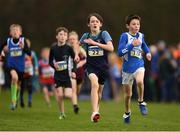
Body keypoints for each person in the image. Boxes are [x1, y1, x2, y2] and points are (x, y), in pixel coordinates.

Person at [80, 13, 114, 122]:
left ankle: (96, 109)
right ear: (88, 24)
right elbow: (78, 47)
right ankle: (94, 112)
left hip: (103, 68)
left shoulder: (104, 34)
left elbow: (111, 48)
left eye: (97, 21)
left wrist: (94, 43)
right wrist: (78, 53)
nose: (94, 23)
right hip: (90, 66)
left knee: (99, 92)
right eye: (92, 21)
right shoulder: (86, 36)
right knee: (94, 84)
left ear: (100, 24)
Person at [117, 14, 151, 123]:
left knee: (140, 81)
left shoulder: (141, 35)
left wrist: (148, 52)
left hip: (139, 65)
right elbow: (119, 52)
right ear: (128, 26)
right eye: (133, 24)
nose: (136, 26)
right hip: (127, 70)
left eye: (138, 24)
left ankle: (141, 102)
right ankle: (127, 113)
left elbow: (144, 45)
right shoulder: (124, 36)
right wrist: (131, 45)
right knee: (128, 95)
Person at [49, 27, 79, 119]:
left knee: (68, 95)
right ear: (57, 36)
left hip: (67, 76)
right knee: (60, 95)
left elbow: (74, 60)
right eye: (61, 34)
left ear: (67, 38)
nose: (62, 36)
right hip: (57, 76)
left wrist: (74, 71)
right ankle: (62, 113)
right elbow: (50, 61)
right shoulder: (53, 48)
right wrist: (54, 66)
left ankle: (74, 106)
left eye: (65, 35)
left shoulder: (69, 48)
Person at [0, 24, 31, 110]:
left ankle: (14, 100)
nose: (15, 31)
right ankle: (13, 100)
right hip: (11, 65)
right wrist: (1, 54)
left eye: (17, 30)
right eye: (13, 30)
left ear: (20, 32)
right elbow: (1, 48)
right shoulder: (8, 41)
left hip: (21, 67)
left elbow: (29, 53)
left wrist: (23, 47)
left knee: (18, 86)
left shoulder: (23, 40)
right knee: (14, 77)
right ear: (10, 33)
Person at [68, 31, 87, 114]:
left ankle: (75, 100)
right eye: (71, 39)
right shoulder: (67, 49)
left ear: (77, 40)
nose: (72, 40)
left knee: (77, 91)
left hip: (80, 72)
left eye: (74, 39)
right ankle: (75, 106)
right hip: (71, 72)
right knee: (73, 90)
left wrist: (81, 63)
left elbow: (87, 58)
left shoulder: (80, 49)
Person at [20, 39, 38, 108]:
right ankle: (21, 100)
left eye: (27, 43)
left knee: (30, 85)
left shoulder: (32, 53)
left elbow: (36, 61)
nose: (26, 45)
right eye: (25, 43)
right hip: (22, 71)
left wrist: (36, 69)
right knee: (22, 86)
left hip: (30, 71)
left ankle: (30, 101)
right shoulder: (20, 52)